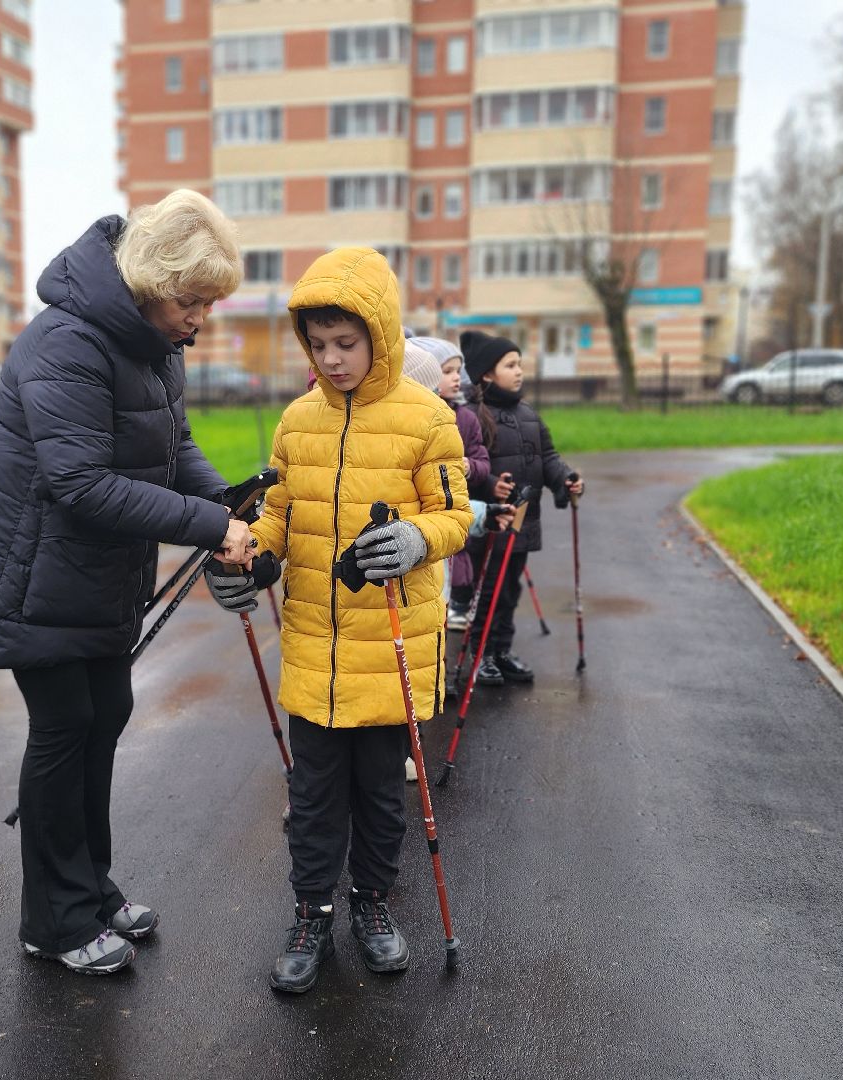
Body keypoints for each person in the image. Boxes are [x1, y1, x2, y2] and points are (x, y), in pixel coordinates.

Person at [0, 190, 253, 976]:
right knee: (66, 726)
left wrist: (228, 500)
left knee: (106, 710)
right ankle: (55, 918)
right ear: (148, 280)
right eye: (191, 299)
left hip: (90, 575)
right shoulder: (67, 341)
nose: (200, 317)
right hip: (28, 575)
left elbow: (174, 448)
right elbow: (81, 482)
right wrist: (211, 528)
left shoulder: (152, 344)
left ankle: (91, 890)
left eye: (209, 302)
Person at [205, 247, 471, 993]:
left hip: (391, 644)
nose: (330, 359)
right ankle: (312, 911)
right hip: (315, 650)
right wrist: (249, 561)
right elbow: (282, 517)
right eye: (318, 346)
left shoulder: (429, 418)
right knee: (315, 795)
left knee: (380, 793)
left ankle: (373, 904)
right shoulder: (297, 420)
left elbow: (455, 515)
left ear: (380, 337)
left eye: (344, 345)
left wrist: (419, 537)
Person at [458, 331, 584, 688]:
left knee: (509, 591)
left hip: (523, 521)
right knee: (487, 592)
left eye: (519, 364)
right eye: (510, 365)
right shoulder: (471, 416)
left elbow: (548, 458)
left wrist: (566, 479)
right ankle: (480, 655)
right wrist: (488, 484)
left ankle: (500, 650)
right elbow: (465, 466)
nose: (519, 372)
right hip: (491, 521)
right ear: (485, 373)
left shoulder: (529, 414)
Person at [404, 336, 490, 633]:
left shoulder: (464, 418)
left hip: (456, 508)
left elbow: (481, 459)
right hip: (421, 521)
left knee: (457, 559)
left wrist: (470, 466)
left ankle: (456, 606)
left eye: (458, 371)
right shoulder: (415, 419)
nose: (457, 378)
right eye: (448, 371)